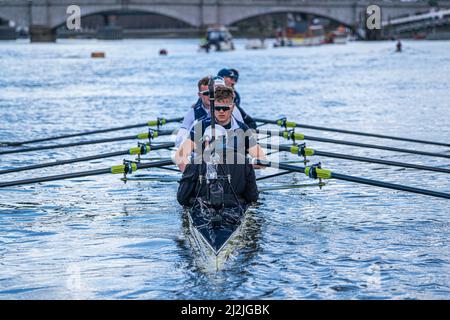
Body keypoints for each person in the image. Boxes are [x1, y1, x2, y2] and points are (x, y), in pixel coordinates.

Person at [175, 85, 266, 173]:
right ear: (212, 107)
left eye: (225, 108)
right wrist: (191, 175)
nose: (221, 111)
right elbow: (180, 156)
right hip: (207, 176)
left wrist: (241, 163)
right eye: (218, 108)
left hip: (234, 176)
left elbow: (262, 160)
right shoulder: (201, 126)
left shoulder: (242, 129)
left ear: (233, 107)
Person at [175, 76, 253, 147]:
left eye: (225, 108)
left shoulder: (235, 110)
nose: (210, 96)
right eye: (207, 93)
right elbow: (179, 141)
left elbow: (242, 131)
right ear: (199, 95)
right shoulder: (194, 114)